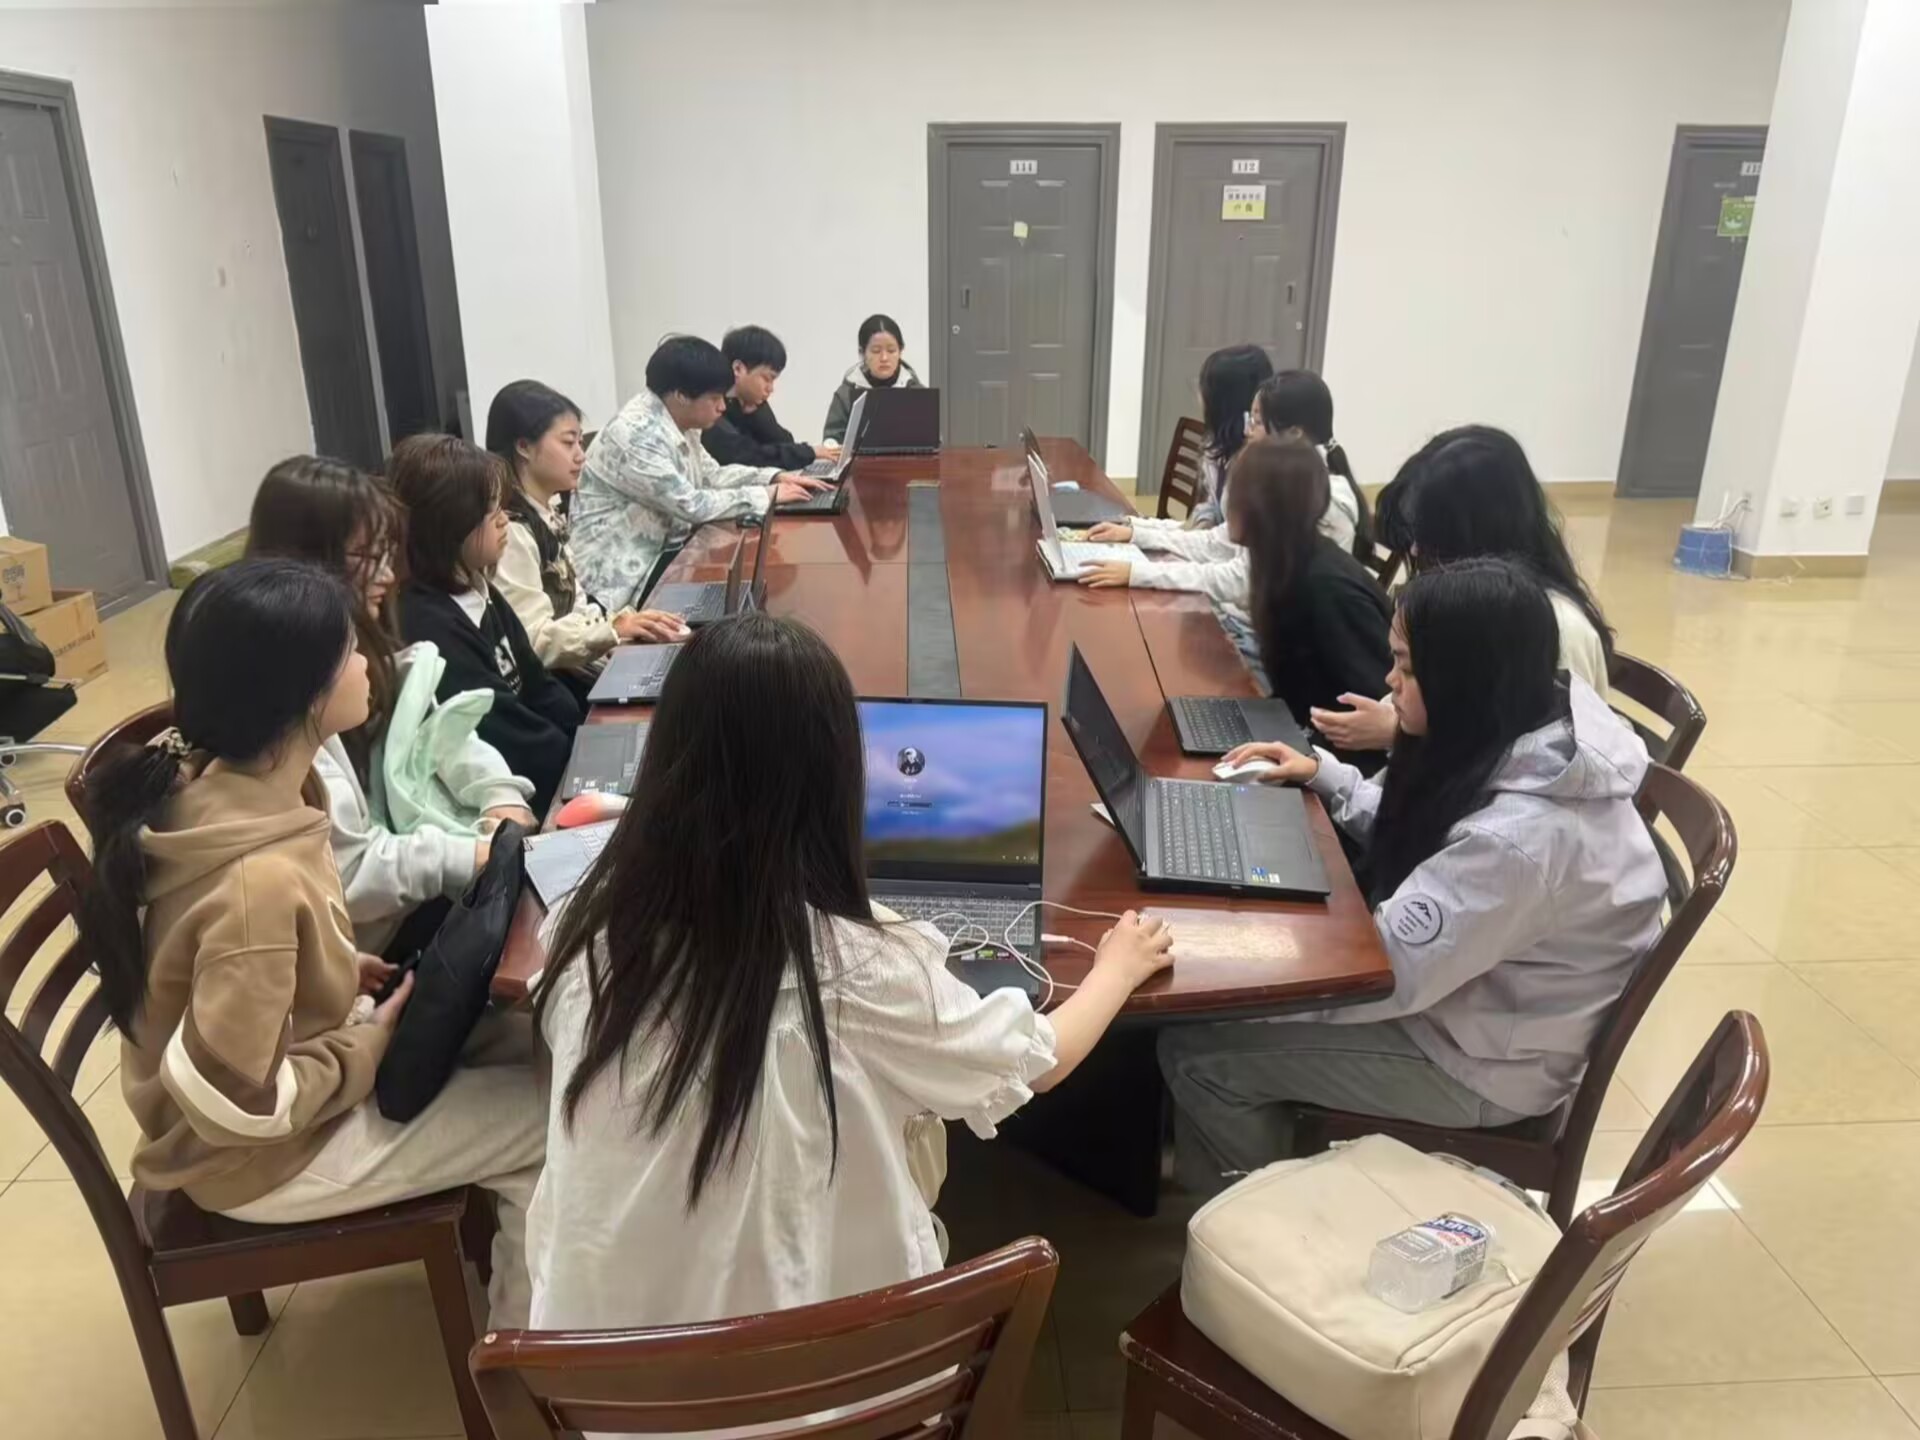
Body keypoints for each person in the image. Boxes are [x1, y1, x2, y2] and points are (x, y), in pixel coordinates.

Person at [527, 611, 1174, 1331]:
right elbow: (1037, 1061)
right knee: (915, 1121)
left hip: (597, 1372)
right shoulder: (859, 968)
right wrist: (1116, 970)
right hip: (834, 1376)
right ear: (834, 777)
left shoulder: (583, 929)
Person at [78, 559, 544, 1323]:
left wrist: (330, 970)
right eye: (351, 649)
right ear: (306, 693)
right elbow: (236, 1101)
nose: (368, 662)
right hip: (258, 1159)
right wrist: (364, 1046)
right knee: (545, 1127)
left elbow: (230, 966)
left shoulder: (237, 788)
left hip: (281, 1095)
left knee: (519, 1042)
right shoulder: (254, 885)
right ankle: (521, 1364)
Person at [1157, 558, 1664, 1196]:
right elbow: (1433, 828)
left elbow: (1381, 977)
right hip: (1477, 1009)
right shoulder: (1516, 727)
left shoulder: (1518, 843)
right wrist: (1323, 774)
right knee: (1236, 1000)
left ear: (1463, 677)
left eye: (1406, 666)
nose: (1388, 682)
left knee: (1198, 1054)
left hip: (1475, 1067)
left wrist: (1237, 976)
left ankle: (1259, 1218)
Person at [246, 456, 537, 957]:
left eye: (387, 553)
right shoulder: (285, 697)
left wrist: (499, 793)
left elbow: (439, 733)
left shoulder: (365, 641)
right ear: (308, 557)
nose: (387, 575)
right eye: (367, 555)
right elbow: (350, 871)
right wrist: (469, 854)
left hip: (404, 894)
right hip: (371, 940)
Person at [1315, 425, 1615, 755]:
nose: (1415, 551)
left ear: (1474, 532)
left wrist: (1396, 733)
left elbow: (1544, 764)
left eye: (1429, 535)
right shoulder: (1471, 607)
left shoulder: (1555, 629)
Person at [390, 433, 584, 815]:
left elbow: (537, 682)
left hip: (556, 765)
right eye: (491, 511)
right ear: (449, 523)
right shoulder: (429, 625)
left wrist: (586, 739)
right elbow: (503, 732)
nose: (504, 521)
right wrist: (576, 761)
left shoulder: (477, 586)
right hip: (517, 794)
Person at [570, 336, 825, 609]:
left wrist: (772, 478)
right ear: (681, 395)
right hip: (619, 583)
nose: (723, 407)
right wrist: (766, 495)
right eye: (714, 398)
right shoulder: (637, 435)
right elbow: (692, 505)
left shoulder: (679, 420)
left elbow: (711, 476)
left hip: (665, 556)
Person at [486, 379, 689, 696]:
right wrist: (612, 631)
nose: (581, 456)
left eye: (580, 443)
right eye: (569, 443)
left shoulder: (545, 510)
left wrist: (621, 625)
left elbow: (577, 606)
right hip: (554, 688)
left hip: (578, 668)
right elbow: (533, 640)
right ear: (524, 446)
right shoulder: (511, 530)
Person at [1228, 437, 1392, 767]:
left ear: (1265, 505)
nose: (1228, 503)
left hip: (1339, 769)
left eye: (1237, 493)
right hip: (1301, 742)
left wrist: (1305, 760)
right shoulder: (1282, 563)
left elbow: (1373, 713)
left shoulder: (1328, 589)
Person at [702, 325, 841, 472]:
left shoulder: (749, 404)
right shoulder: (710, 410)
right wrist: (809, 452)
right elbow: (750, 457)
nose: (770, 388)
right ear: (738, 369)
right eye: (767, 378)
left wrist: (756, 414)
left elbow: (784, 442)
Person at [823, 313, 924, 445]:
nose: (884, 358)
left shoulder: (917, 392)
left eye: (891, 350)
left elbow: (934, 441)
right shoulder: (846, 394)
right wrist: (832, 445)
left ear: (901, 351)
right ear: (862, 353)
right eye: (876, 351)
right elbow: (832, 439)